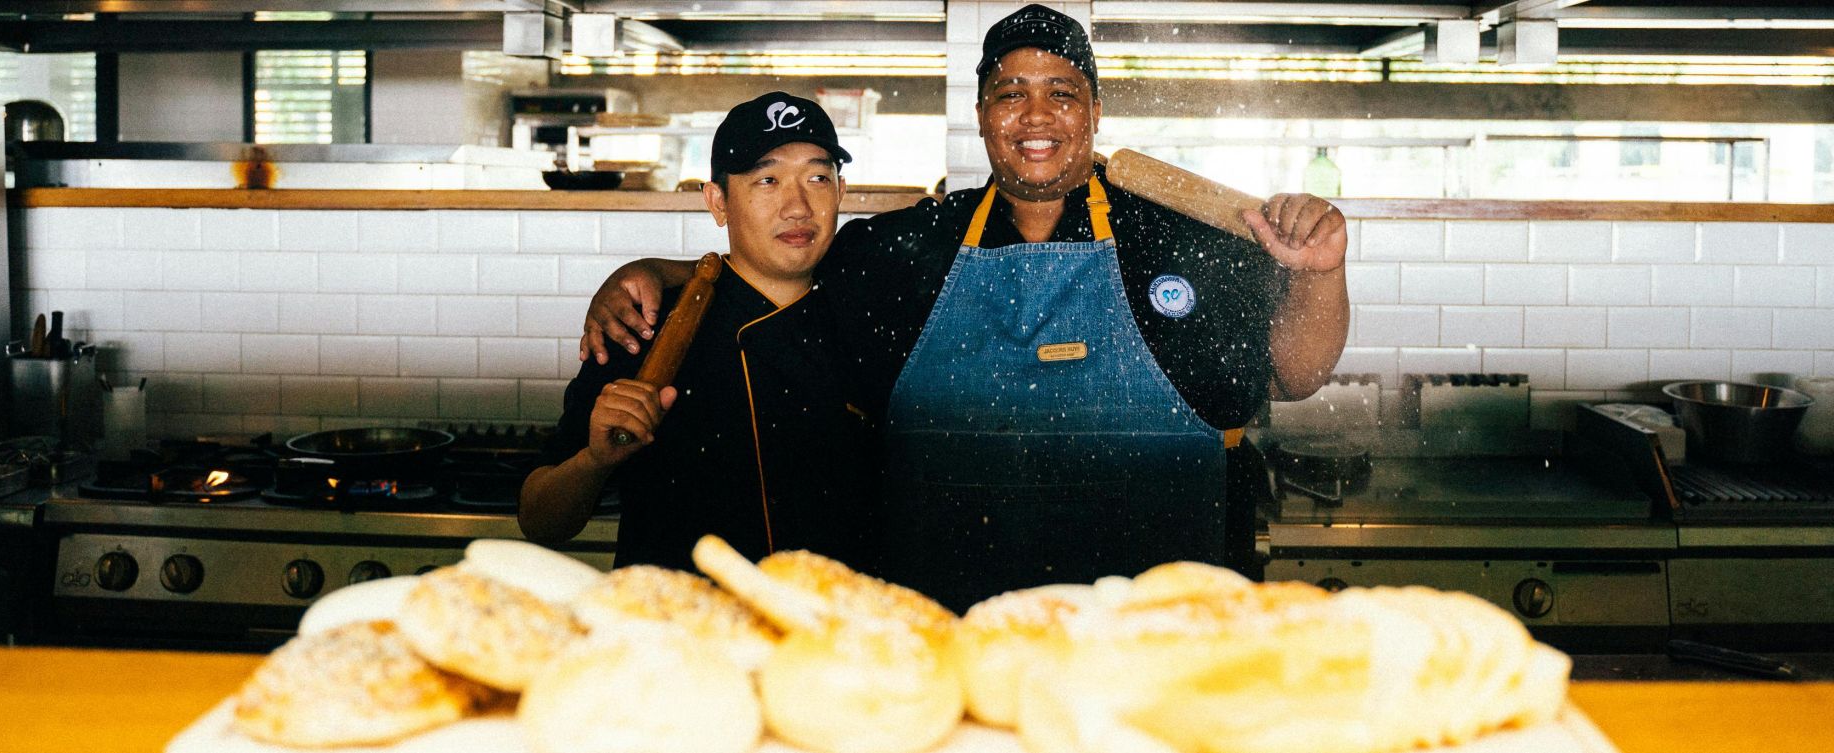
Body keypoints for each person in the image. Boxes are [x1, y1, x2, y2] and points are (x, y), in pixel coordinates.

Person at [578, 5, 1350, 609]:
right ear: (982, 115)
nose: (1036, 116)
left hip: (1155, 644)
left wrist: (1320, 272)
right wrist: (662, 271)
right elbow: (777, 271)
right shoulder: (899, 252)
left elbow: (1297, 370)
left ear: (1094, 112)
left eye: (1062, 94)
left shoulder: (1184, 242)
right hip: (954, 647)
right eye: (1011, 94)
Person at [520, 92, 878, 571]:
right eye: (767, 180)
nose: (798, 207)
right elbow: (540, 521)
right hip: (680, 632)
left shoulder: (877, 316)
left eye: (817, 177)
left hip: (832, 632)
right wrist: (594, 461)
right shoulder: (643, 324)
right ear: (717, 202)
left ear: (841, 191)